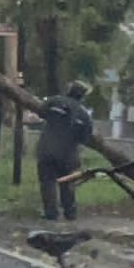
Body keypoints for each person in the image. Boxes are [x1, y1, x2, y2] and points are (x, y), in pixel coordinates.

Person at [36, 81, 93, 221]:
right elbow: (83, 139)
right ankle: (70, 212)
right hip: (68, 154)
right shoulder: (85, 116)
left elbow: (41, 112)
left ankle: (51, 213)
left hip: (47, 149)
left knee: (47, 182)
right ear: (82, 96)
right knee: (67, 183)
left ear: (69, 90)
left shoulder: (55, 101)